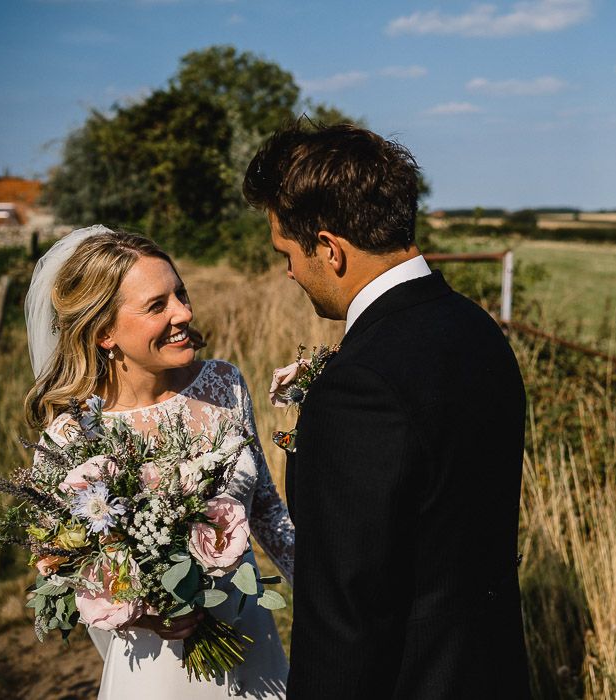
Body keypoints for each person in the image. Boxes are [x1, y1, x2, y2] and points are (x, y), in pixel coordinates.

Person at [243, 123, 530, 698]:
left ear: (329, 248)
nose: (290, 272)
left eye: (289, 253)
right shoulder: (477, 329)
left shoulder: (359, 385)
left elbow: (346, 617)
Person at [23, 226, 293, 699]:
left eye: (181, 294)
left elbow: (267, 510)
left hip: (251, 636)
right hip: (156, 663)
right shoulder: (73, 437)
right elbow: (56, 566)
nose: (183, 313)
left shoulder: (222, 384)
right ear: (104, 331)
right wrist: (153, 610)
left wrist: (330, 595)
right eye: (157, 305)